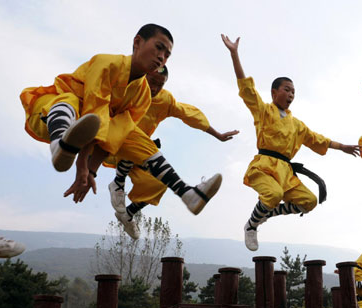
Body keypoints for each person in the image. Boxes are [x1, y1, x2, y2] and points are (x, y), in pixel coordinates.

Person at [22, 25, 221, 214]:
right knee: (71, 101)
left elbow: (114, 134)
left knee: (134, 135)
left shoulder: (142, 95)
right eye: (158, 48)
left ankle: (186, 193)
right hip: (50, 115)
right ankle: (59, 144)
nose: (161, 57)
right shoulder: (107, 63)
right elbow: (95, 110)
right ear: (137, 42)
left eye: (167, 55)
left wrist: (90, 172)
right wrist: (81, 164)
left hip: (88, 137)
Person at [221, 35, 360, 251]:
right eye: (287, 89)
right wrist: (234, 54)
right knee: (274, 194)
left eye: (293, 91)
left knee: (310, 201)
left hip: (286, 172)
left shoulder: (297, 124)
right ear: (274, 92)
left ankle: (268, 212)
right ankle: (252, 225)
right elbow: (246, 89)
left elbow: (317, 139)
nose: (291, 94)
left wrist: (343, 147)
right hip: (265, 166)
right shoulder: (264, 111)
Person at [107, 65, 238, 238]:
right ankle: (118, 181)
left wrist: (217, 134)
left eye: (159, 85)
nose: (154, 88)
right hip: (113, 143)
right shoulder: (130, 89)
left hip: (144, 154)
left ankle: (127, 214)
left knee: (159, 183)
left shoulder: (164, 100)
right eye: (152, 82)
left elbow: (190, 114)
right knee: (134, 136)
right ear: (144, 76)